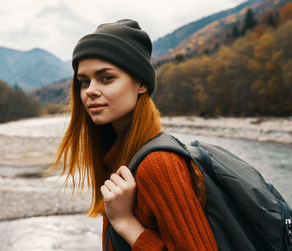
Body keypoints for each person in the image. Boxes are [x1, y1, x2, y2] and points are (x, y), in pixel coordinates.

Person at [51, 19, 218, 250]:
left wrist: (125, 222)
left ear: (140, 83)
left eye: (106, 78)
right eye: (83, 81)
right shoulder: (119, 155)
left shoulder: (159, 164)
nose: (90, 91)